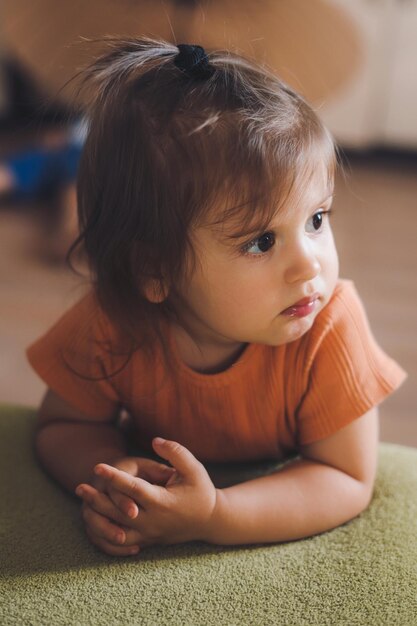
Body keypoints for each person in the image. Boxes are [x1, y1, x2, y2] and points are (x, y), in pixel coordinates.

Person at [26, 37, 406, 557]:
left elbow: (343, 475)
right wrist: (115, 476)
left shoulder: (330, 326)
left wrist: (217, 516)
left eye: (317, 220)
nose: (310, 264)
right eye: (261, 241)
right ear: (155, 270)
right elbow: (63, 424)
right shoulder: (114, 321)